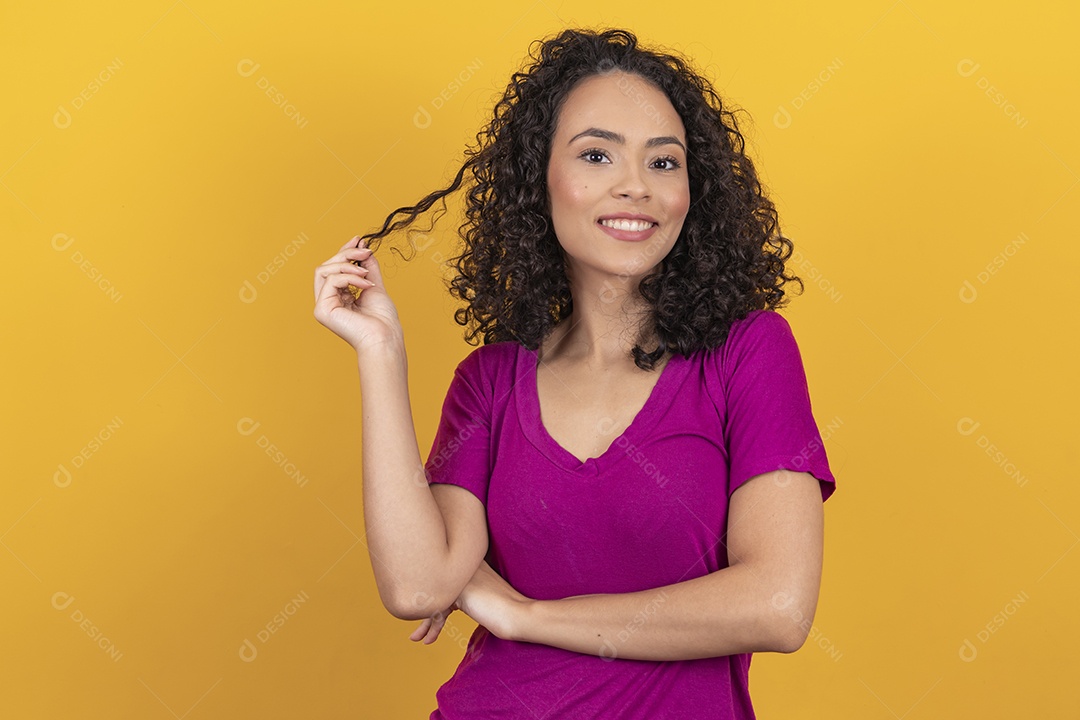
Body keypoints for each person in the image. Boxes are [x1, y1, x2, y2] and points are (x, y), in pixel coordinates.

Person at [313, 27, 836, 720]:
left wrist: (525, 615)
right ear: (539, 181)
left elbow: (777, 606)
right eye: (596, 154)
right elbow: (418, 586)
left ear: (694, 191)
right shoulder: (490, 381)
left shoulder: (748, 352)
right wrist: (380, 353)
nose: (636, 186)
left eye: (664, 162)